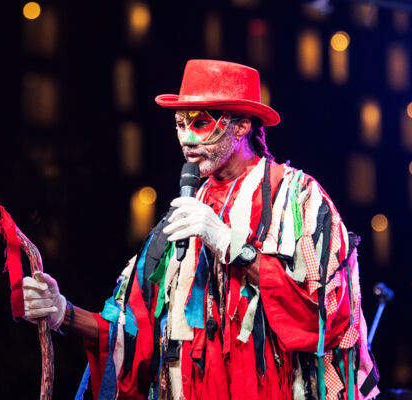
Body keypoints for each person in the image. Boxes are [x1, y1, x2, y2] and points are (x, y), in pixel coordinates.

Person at [22, 60, 380, 400]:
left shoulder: (298, 197)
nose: (186, 139)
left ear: (242, 126)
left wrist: (230, 244)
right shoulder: (182, 217)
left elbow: (328, 317)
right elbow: (134, 334)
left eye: (200, 123)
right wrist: (64, 313)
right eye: (180, 124)